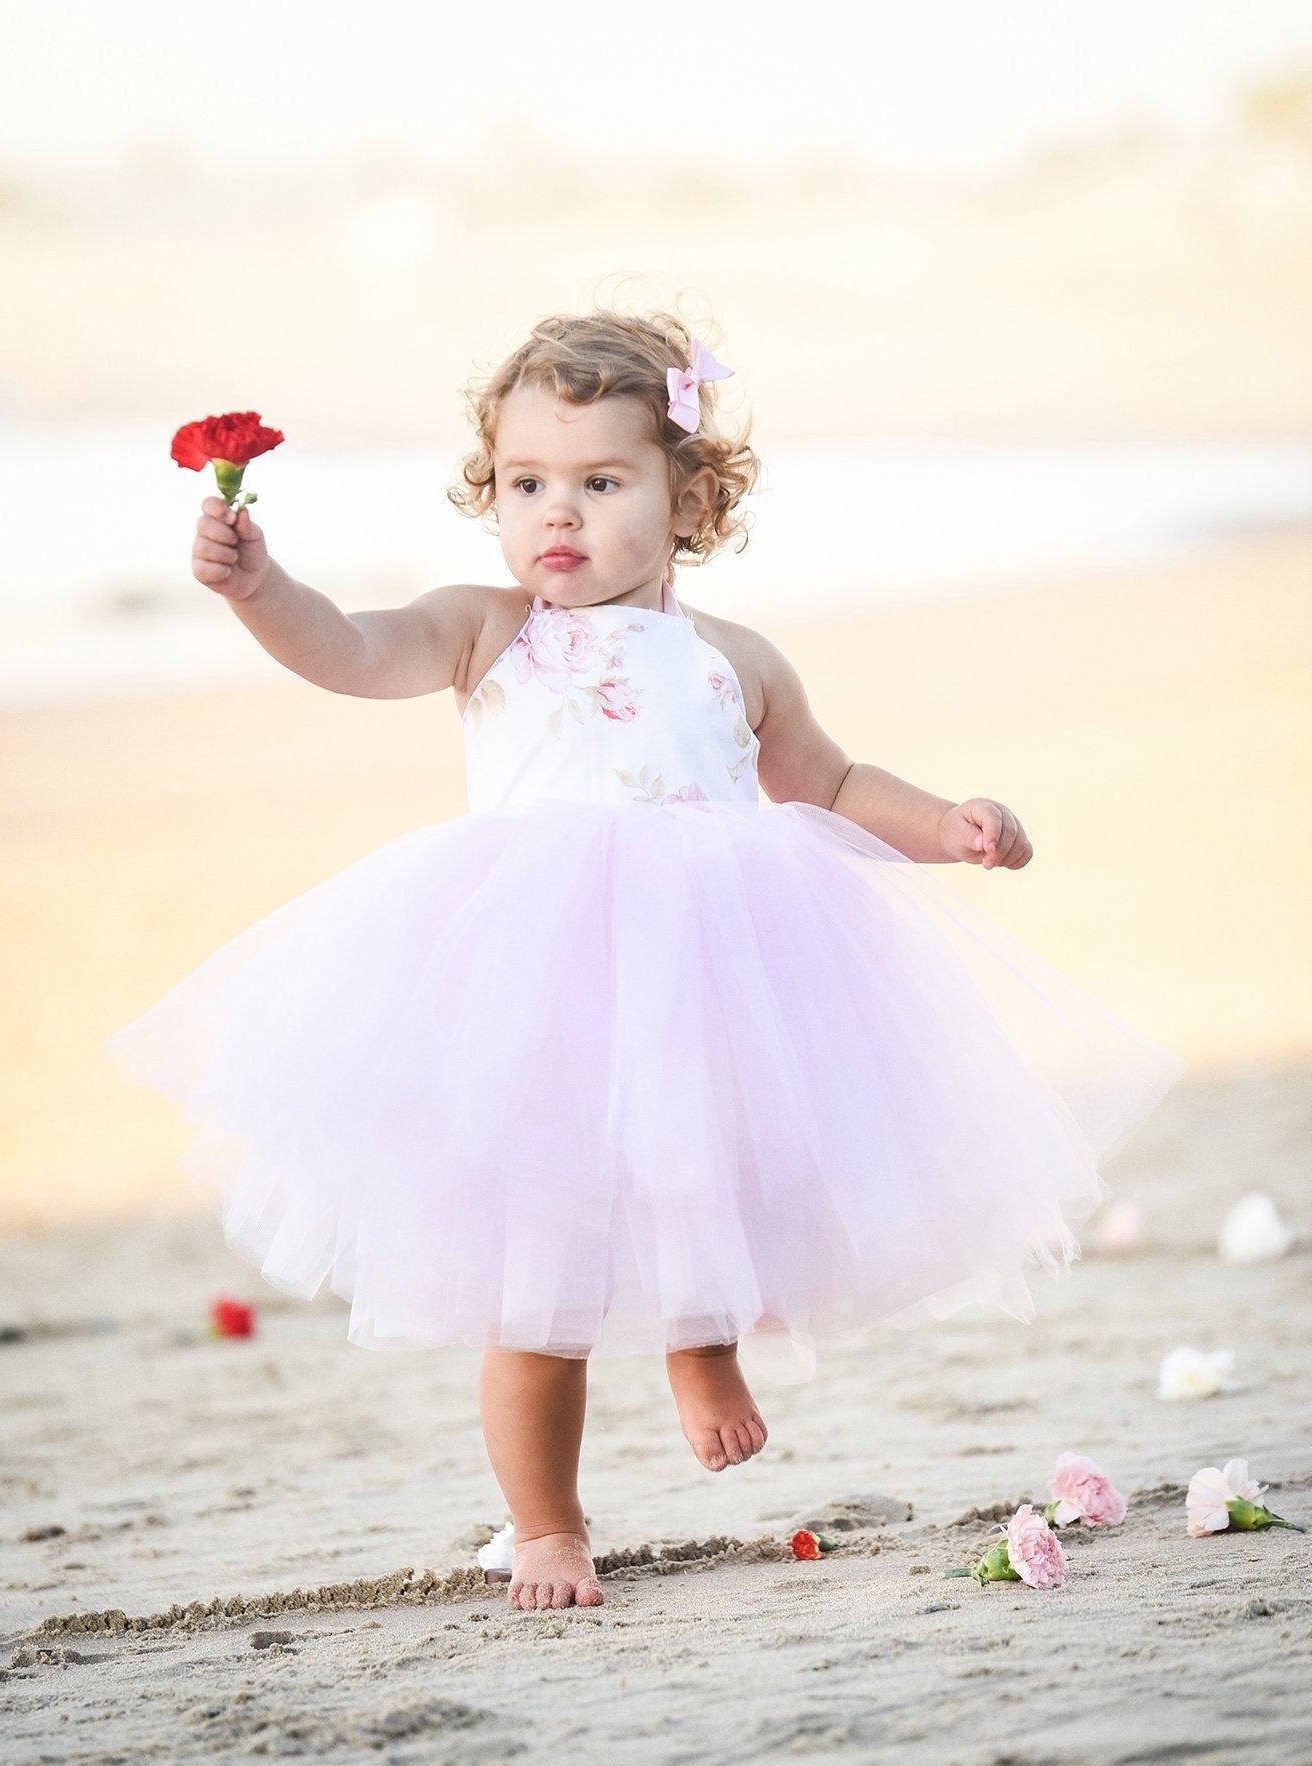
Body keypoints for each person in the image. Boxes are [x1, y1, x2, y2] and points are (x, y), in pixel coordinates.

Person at [103, 307, 1185, 1613]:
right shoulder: (485, 629)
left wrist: (945, 825)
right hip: (533, 987)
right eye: (525, 484)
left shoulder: (732, 660)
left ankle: (701, 1344)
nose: (556, 515)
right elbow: (348, 648)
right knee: (530, 1281)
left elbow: (829, 781)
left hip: (712, 969)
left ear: (690, 498)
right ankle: (547, 1525)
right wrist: (258, 589)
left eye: (601, 482)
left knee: (702, 1156)